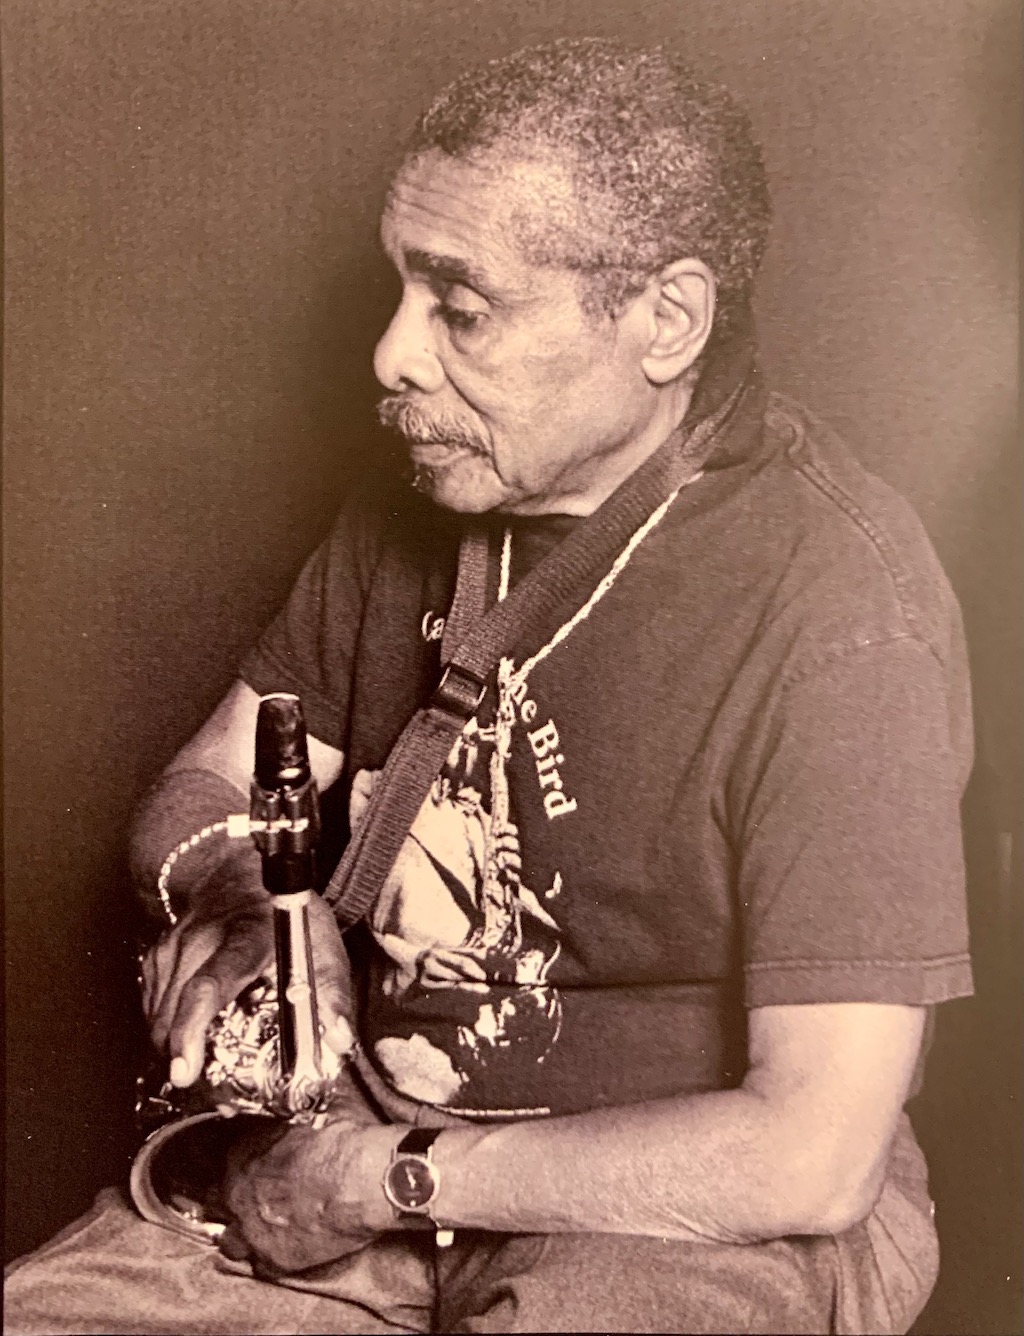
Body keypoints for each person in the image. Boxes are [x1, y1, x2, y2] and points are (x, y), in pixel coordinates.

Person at [4, 36, 973, 1336]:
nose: (391, 356)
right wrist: (240, 905)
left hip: (676, 1219)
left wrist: (378, 1181)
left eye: (460, 310)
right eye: (401, 289)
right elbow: (207, 782)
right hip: (352, 1155)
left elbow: (811, 1155)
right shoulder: (429, 495)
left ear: (667, 322)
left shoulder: (840, 608)